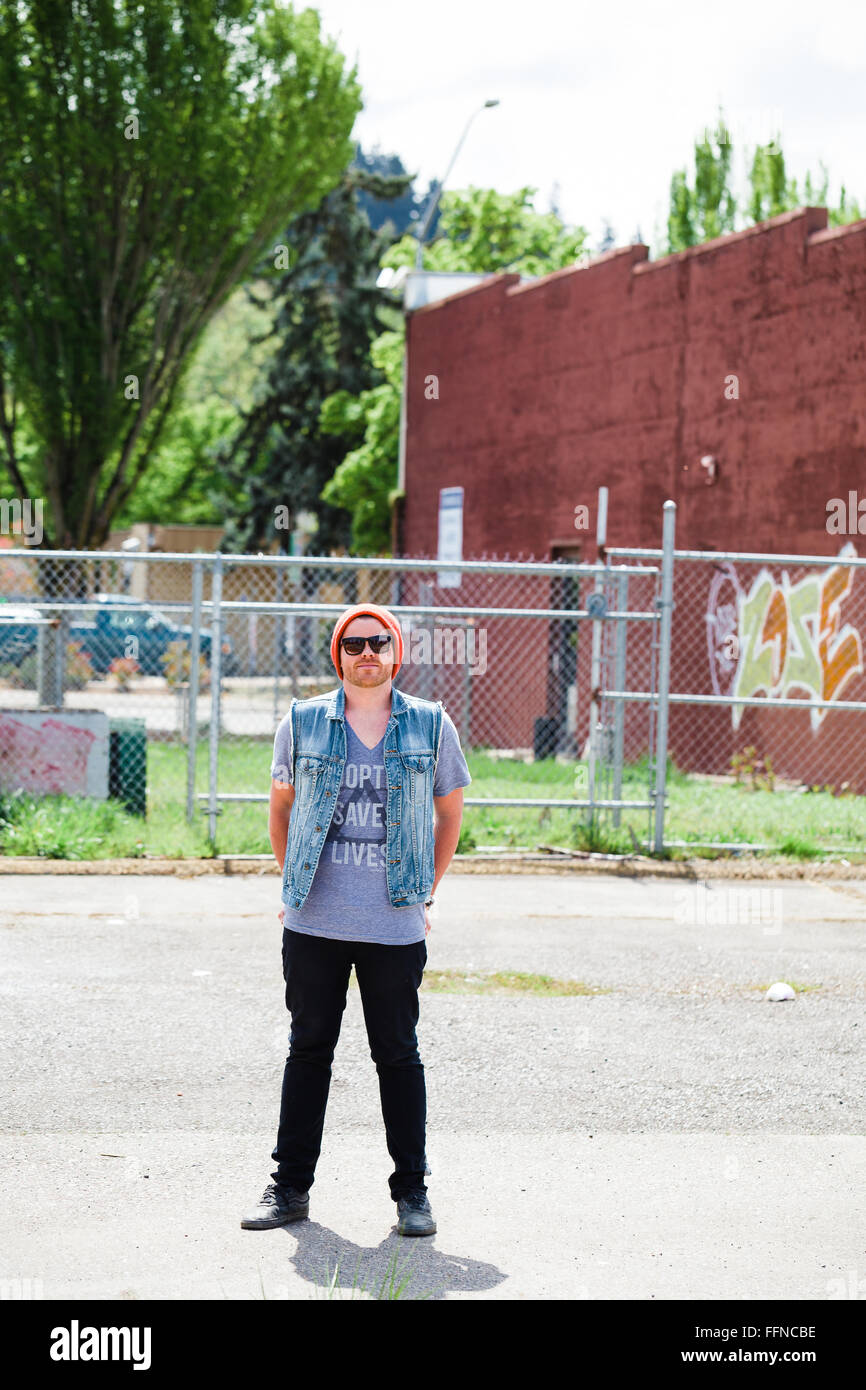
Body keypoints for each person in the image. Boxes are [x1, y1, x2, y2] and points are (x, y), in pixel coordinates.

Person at [241, 602, 471, 1237]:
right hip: (313, 921)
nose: (367, 653)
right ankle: (289, 1188)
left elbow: (449, 814)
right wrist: (293, 889)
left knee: (397, 1054)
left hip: (394, 921)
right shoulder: (302, 721)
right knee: (308, 1049)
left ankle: (412, 1194)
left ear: (396, 654)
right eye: (354, 644)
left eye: (379, 643)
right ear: (338, 655)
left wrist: (426, 891)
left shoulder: (430, 724)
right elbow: (281, 808)